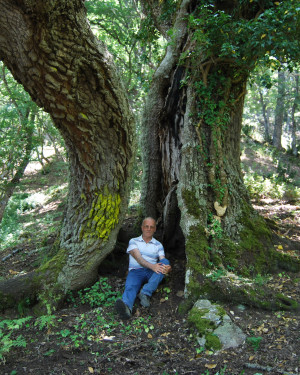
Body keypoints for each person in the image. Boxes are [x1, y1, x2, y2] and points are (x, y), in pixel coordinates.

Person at [115, 217, 171, 319]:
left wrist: (167, 268)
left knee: (165, 262)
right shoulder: (134, 241)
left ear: (154, 229)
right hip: (136, 271)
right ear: (142, 228)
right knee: (131, 286)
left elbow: (162, 260)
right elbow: (139, 258)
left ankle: (145, 292)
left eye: (151, 227)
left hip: (151, 272)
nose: (148, 229)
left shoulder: (158, 245)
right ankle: (126, 308)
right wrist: (153, 266)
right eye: (146, 226)